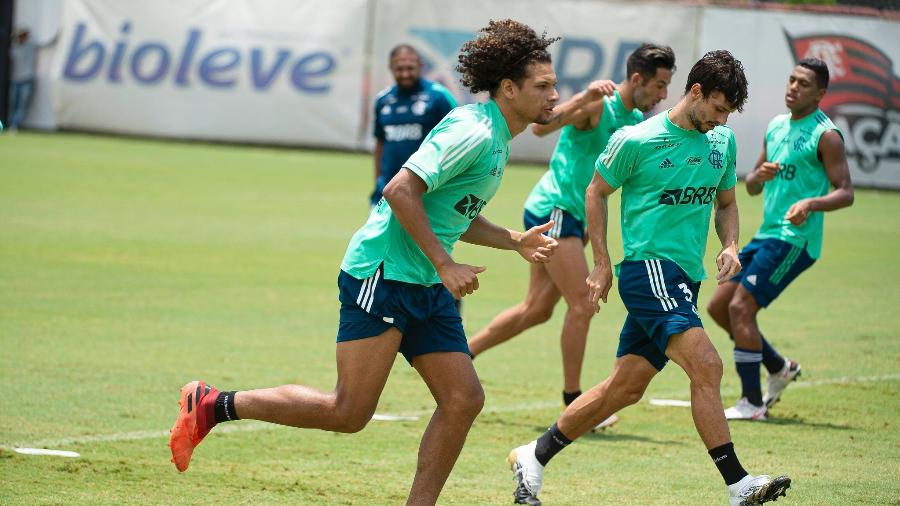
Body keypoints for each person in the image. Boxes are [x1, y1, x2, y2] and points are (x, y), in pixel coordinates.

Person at [169, 19, 561, 505]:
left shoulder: (498, 136)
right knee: (349, 412)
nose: (554, 96)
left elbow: (454, 213)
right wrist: (444, 264)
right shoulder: (476, 132)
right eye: (543, 86)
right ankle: (214, 403)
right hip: (383, 274)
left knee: (463, 399)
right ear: (508, 88)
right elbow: (400, 190)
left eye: (554, 85)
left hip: (420, 281)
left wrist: (515, 239)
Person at [506, 50, 792, 506]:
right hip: (648, 271)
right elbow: (596, 192)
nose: (721, 120)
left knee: (624, 388)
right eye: (718, 109)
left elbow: (727, 204)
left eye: (728, 114)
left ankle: (533, 457)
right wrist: (601, 263)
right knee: (708, 365)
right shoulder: (637, 139)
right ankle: (740, 486)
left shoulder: (722, 141)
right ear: (695, 92)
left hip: (684, 277)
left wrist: (731, 245)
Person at [468, 44, 675, 426]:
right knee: (582, 303)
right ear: (636, 79)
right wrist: (585, 95)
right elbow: (541, 126)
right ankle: (574, 403)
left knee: (536, 309)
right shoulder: (600, 104)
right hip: (556, 209)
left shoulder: (634, 117)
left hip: (574, 217)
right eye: (660, 85)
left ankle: (463, 353)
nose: (663, 95)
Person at [707, 57, 854, 421]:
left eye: (803, 84)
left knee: (740, 308)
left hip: (795, 240)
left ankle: (752, 403)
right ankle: (778, 366)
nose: (793, 87)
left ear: (820, 93)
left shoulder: (827, 136)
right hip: (767, 234)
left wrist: (810, 202)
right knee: (718, 307)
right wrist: (759, 174)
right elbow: (753, 186)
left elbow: (846, 192)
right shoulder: (775, 126)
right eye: (791, 80)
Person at [371, 45, 457, 207]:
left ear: (420, 66)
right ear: (390, 68)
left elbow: (457, 141)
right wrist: (378, 181)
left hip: (427, 190)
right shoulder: (383, 100)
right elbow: (380, 144)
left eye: (410, 68)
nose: (405, 74)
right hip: (387, 190)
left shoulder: (439, 97)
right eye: (399, 69)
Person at [8, 28, 38, 132]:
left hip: (26, 80)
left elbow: (30, 38)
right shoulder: (14, 48)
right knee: (13, 104)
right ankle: (11, 124)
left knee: (22, 105)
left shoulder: (30, 46)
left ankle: (15, 125)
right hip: (15, 79)